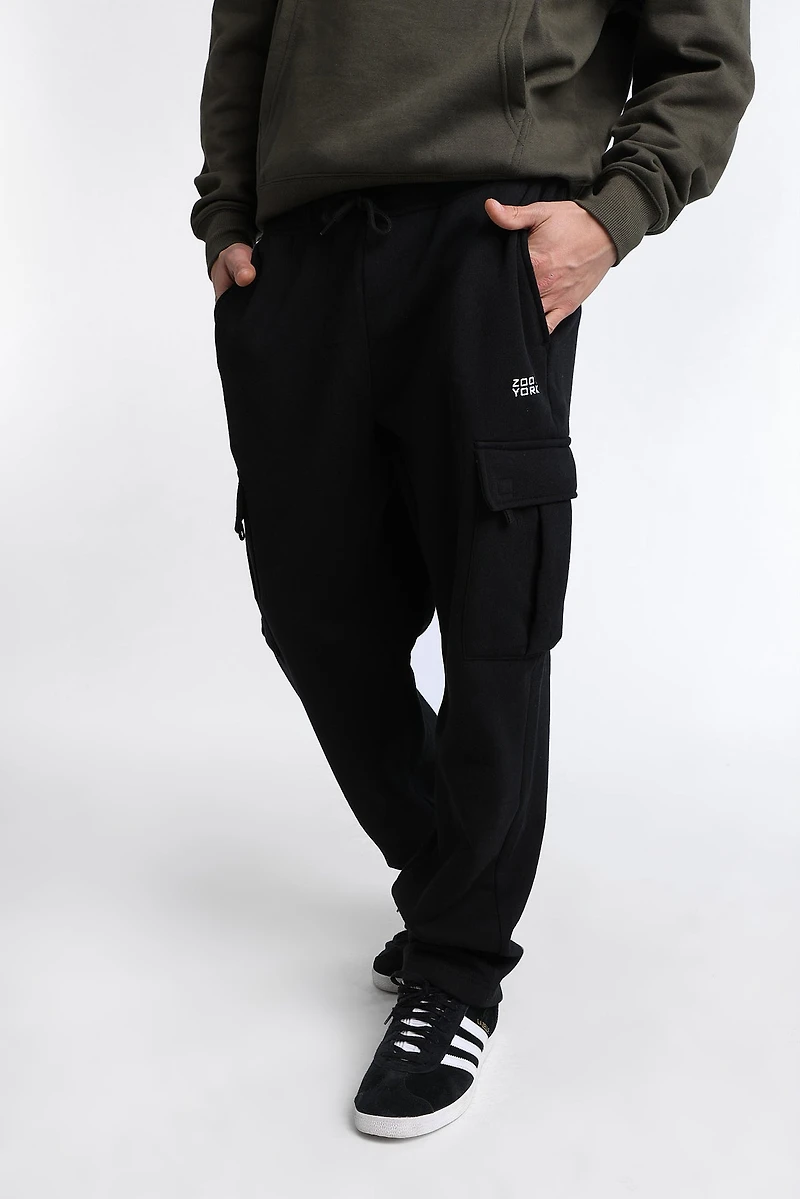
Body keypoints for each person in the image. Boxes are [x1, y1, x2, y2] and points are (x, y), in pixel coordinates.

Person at [190, 0, 755, 1139]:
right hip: (298, 254)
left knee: (496, 610)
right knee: (311, 608)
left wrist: (612, 215)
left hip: (485, 236)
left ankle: (455, 966)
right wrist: (228, 213)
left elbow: (703, 57)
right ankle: (460, 878)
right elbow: (245, 21)